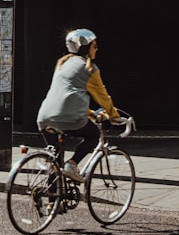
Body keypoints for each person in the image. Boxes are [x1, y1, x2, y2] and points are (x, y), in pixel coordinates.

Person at [35, 28, 121, 181]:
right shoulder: (89, 68)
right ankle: (73, 164)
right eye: (94, 45)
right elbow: (103, 97)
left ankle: (51, 203)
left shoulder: (62, 63)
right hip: (68, 118)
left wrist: (91, 114)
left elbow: (67, 97)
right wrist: (114, 116)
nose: (97, 48)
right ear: (86, 47)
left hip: (44, 116)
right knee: (94, 135)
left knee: (56, 160)